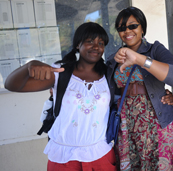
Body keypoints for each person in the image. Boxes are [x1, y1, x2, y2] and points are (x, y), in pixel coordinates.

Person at [5, 22, 117, 171]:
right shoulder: (60, 72)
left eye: (101, 43)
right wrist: (29, 66)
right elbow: (12, 85)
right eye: (90, 41)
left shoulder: (109, 75)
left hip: (100, 155)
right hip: (64, 157)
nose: (96, 47)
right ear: (78, 44)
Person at [106, 6, 173, 170]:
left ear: (142, 27)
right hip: (127, 126)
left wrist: (140, 59)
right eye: (121, 28)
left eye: (132, 26)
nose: (127, 31)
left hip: (158, 123)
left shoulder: (155, 49)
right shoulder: (114, 58)